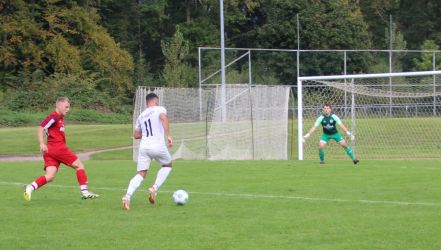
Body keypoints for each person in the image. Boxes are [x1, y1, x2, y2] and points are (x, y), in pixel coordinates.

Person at [23, 97, 99, 201]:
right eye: (66, 107)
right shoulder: (54, 117)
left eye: (69, 107)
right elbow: (41, 128)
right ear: (59, 106)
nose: (68, 109)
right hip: (57, 148)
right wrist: (41, 143)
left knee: (50, 176)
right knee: (79, 166)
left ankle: (30, 187)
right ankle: (85, 192)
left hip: (50, 151)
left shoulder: (60, 118)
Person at [122, 93, 173, 210]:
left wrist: (145, 134)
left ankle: (127, 196)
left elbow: (136, 135)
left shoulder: (141, 116)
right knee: (167, 165)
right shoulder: (160, 109)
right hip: (158, 145)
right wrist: (169, 135)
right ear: (156, 101)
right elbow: (164, 118)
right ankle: (154, 188)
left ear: (146, 103)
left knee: (141, 173)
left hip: (144, 147)